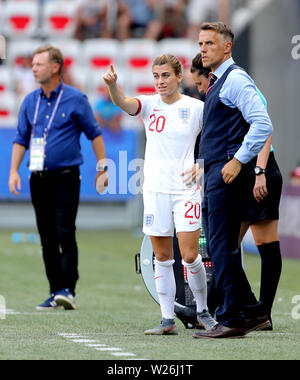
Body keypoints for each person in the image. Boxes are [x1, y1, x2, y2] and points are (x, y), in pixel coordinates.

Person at [103, 54, 217, 335]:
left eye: (165, 75)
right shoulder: (149, 105)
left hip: (186, 191)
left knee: (191, 256)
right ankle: (167, 320)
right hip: (154, 191)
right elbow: (123, 103)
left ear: (179, 77)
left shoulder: (196, 108)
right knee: (162, 257)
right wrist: (113, 86)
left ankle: (203, 311)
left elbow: (215, 140)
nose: (160, 81)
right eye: (156, 76)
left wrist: (201, 165)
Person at [8, 45, 107, 311]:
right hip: (37, 177)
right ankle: (54, 290)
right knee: (46, 236)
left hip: (66, 177)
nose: (33, 68)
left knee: (65, 231)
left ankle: (68, 290)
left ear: (55, 67)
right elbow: (21, 139)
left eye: (39, 64)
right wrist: (13, 171)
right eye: (33, 64)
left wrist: (102, 166)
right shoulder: (30, 101)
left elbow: (94, 133)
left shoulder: (76, 99)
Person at [189, 53, 283, 331]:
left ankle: (261, 312)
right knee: (225, 247)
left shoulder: (241, 86)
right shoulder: (219, 92)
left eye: (200, 84)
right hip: (239, 173)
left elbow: (264, 130)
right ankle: (248, 309)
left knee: (266, 244)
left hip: (257, 171)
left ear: (210, 76)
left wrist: (260, 172)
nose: (199, 90)